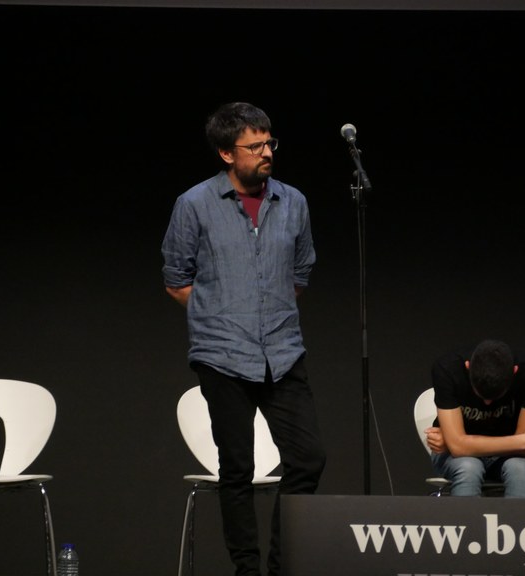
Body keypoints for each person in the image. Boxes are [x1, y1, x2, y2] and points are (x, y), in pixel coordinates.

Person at [161, 102, 326, 576]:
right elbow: (176, 278)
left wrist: (265, 310)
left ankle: (280, 565)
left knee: (308, 459)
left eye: (269, 142)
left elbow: (300, 271)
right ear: (226, 153)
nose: (267, 152)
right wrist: (222, 315)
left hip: (282, 351)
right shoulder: (195, 204)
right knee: (238, 468)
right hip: (222, 355)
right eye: (254, 146)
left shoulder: (292, 201)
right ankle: (247, 569)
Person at [424, 339, 525, 498]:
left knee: (519, 469)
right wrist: (523, 441)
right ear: (468, 367)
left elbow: (522, 450)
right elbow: (458, 448)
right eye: (480, 394)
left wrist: (456, 442)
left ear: (515, 371)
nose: (487, 403)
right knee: (469, 467)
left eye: (496, 396)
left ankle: (517, 516)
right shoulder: (447, 368)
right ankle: (466, 516)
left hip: (511, 457)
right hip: (457, 458)